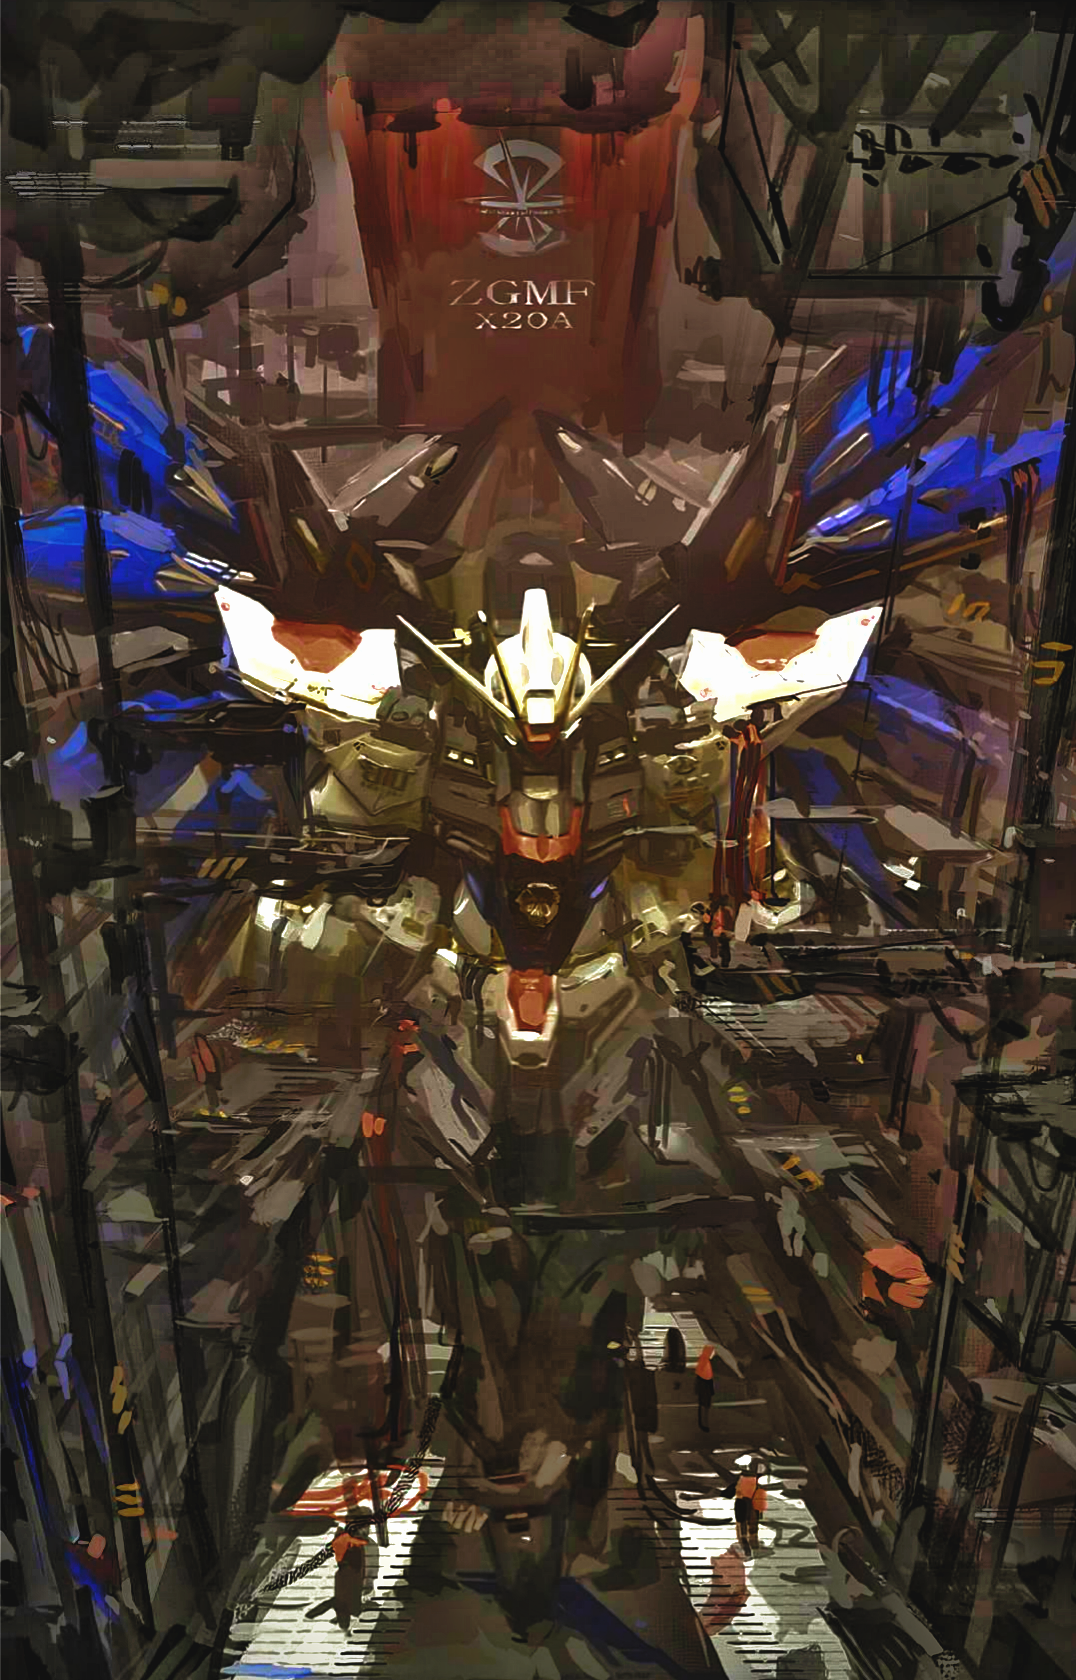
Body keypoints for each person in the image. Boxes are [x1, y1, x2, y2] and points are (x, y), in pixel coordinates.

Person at [734, 1459, 767, 1559]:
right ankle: (751, 1545)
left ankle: (747, 1544)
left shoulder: (742, 1479)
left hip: (743, 1501)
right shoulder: (755, 1479)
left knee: (743, 1524)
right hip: (749, 1502)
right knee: (750, 1524)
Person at [695, 1344, 715, 1430]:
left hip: (704, 1384)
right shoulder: (704, 1360)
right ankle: (704, 1423)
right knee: (705, 1405)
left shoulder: (704, 1360)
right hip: (704, 1385)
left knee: (704, 1405)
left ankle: (704, 1423)